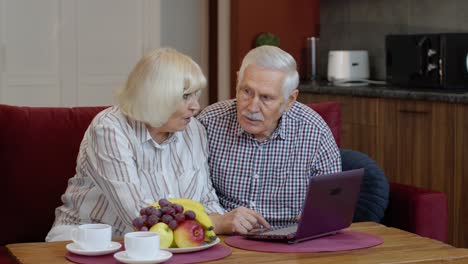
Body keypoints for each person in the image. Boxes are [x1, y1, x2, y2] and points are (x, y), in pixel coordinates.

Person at [46, 48, 258, 241]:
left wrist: (222, 226)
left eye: (196, 95)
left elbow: (205, 198)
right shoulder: (109, 128)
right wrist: (215, 223)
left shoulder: (194, 130)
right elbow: (138, 217)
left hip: (167, 245)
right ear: (156, 96)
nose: (196, 106)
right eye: (185, 96)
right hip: (90, 242)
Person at [198, 45, 341, 233]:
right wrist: (219, 221)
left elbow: (334, 204)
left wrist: (321, 216)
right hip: (227, 240)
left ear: (290, 100)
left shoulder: (315, 131)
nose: (252, 107)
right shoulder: (209, 123)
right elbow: (187, 196)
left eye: (266, 98)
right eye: (246, 92)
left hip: (290, 245)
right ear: (236, 82)